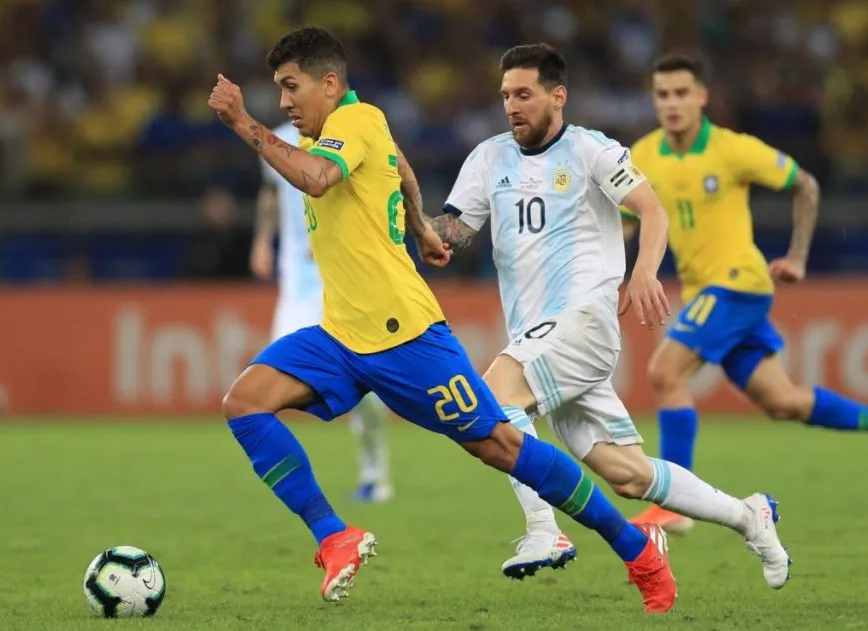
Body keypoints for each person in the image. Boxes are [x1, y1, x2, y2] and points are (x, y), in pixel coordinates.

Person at [208, 27, 680, 613]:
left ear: (329, 83)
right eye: (278, 90)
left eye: (290, 86)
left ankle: (636, 548)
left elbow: (317, 179)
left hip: (404, 336)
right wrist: (420, 225)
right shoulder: (352, 126)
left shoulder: (354, 122)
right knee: (245, 402)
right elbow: (399, 164)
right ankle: (334, 536)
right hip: (341, 334)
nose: (282, 102)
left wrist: (241, 122)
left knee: (502, 445)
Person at [427, 44, 790, 594]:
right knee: (629, 474)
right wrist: (406, 219)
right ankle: (750, 516)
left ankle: (544, 529)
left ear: (558, 96)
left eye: (524, 94)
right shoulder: (488, 158)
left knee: (493, 396)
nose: (512, 106)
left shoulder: (591, 150)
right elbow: (452, 232)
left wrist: (644, 271)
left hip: (584, 321)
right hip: (537, 337)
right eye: (505, 96)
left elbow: (652, 210)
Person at [624, 53, 868, 534]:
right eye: (663, 95)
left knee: (665, 372)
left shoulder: (733, 149)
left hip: (739, 283)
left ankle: (674, 504)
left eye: (681, 93)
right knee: (783, 402)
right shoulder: (642, 155)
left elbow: (806, 185)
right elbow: (625, 220)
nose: (672, 103)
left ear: (702, 96)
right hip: (706, 293)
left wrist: (798, 256)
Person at [251, 122, 393, 503]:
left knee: (364, 389)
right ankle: (293, 487)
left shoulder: (349, 133)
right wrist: (262, 241)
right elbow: (271, 193)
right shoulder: (278, 137)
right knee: (266, 384)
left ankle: (374, 474)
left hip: (344, 282)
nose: (289, 99)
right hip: (297, 285)